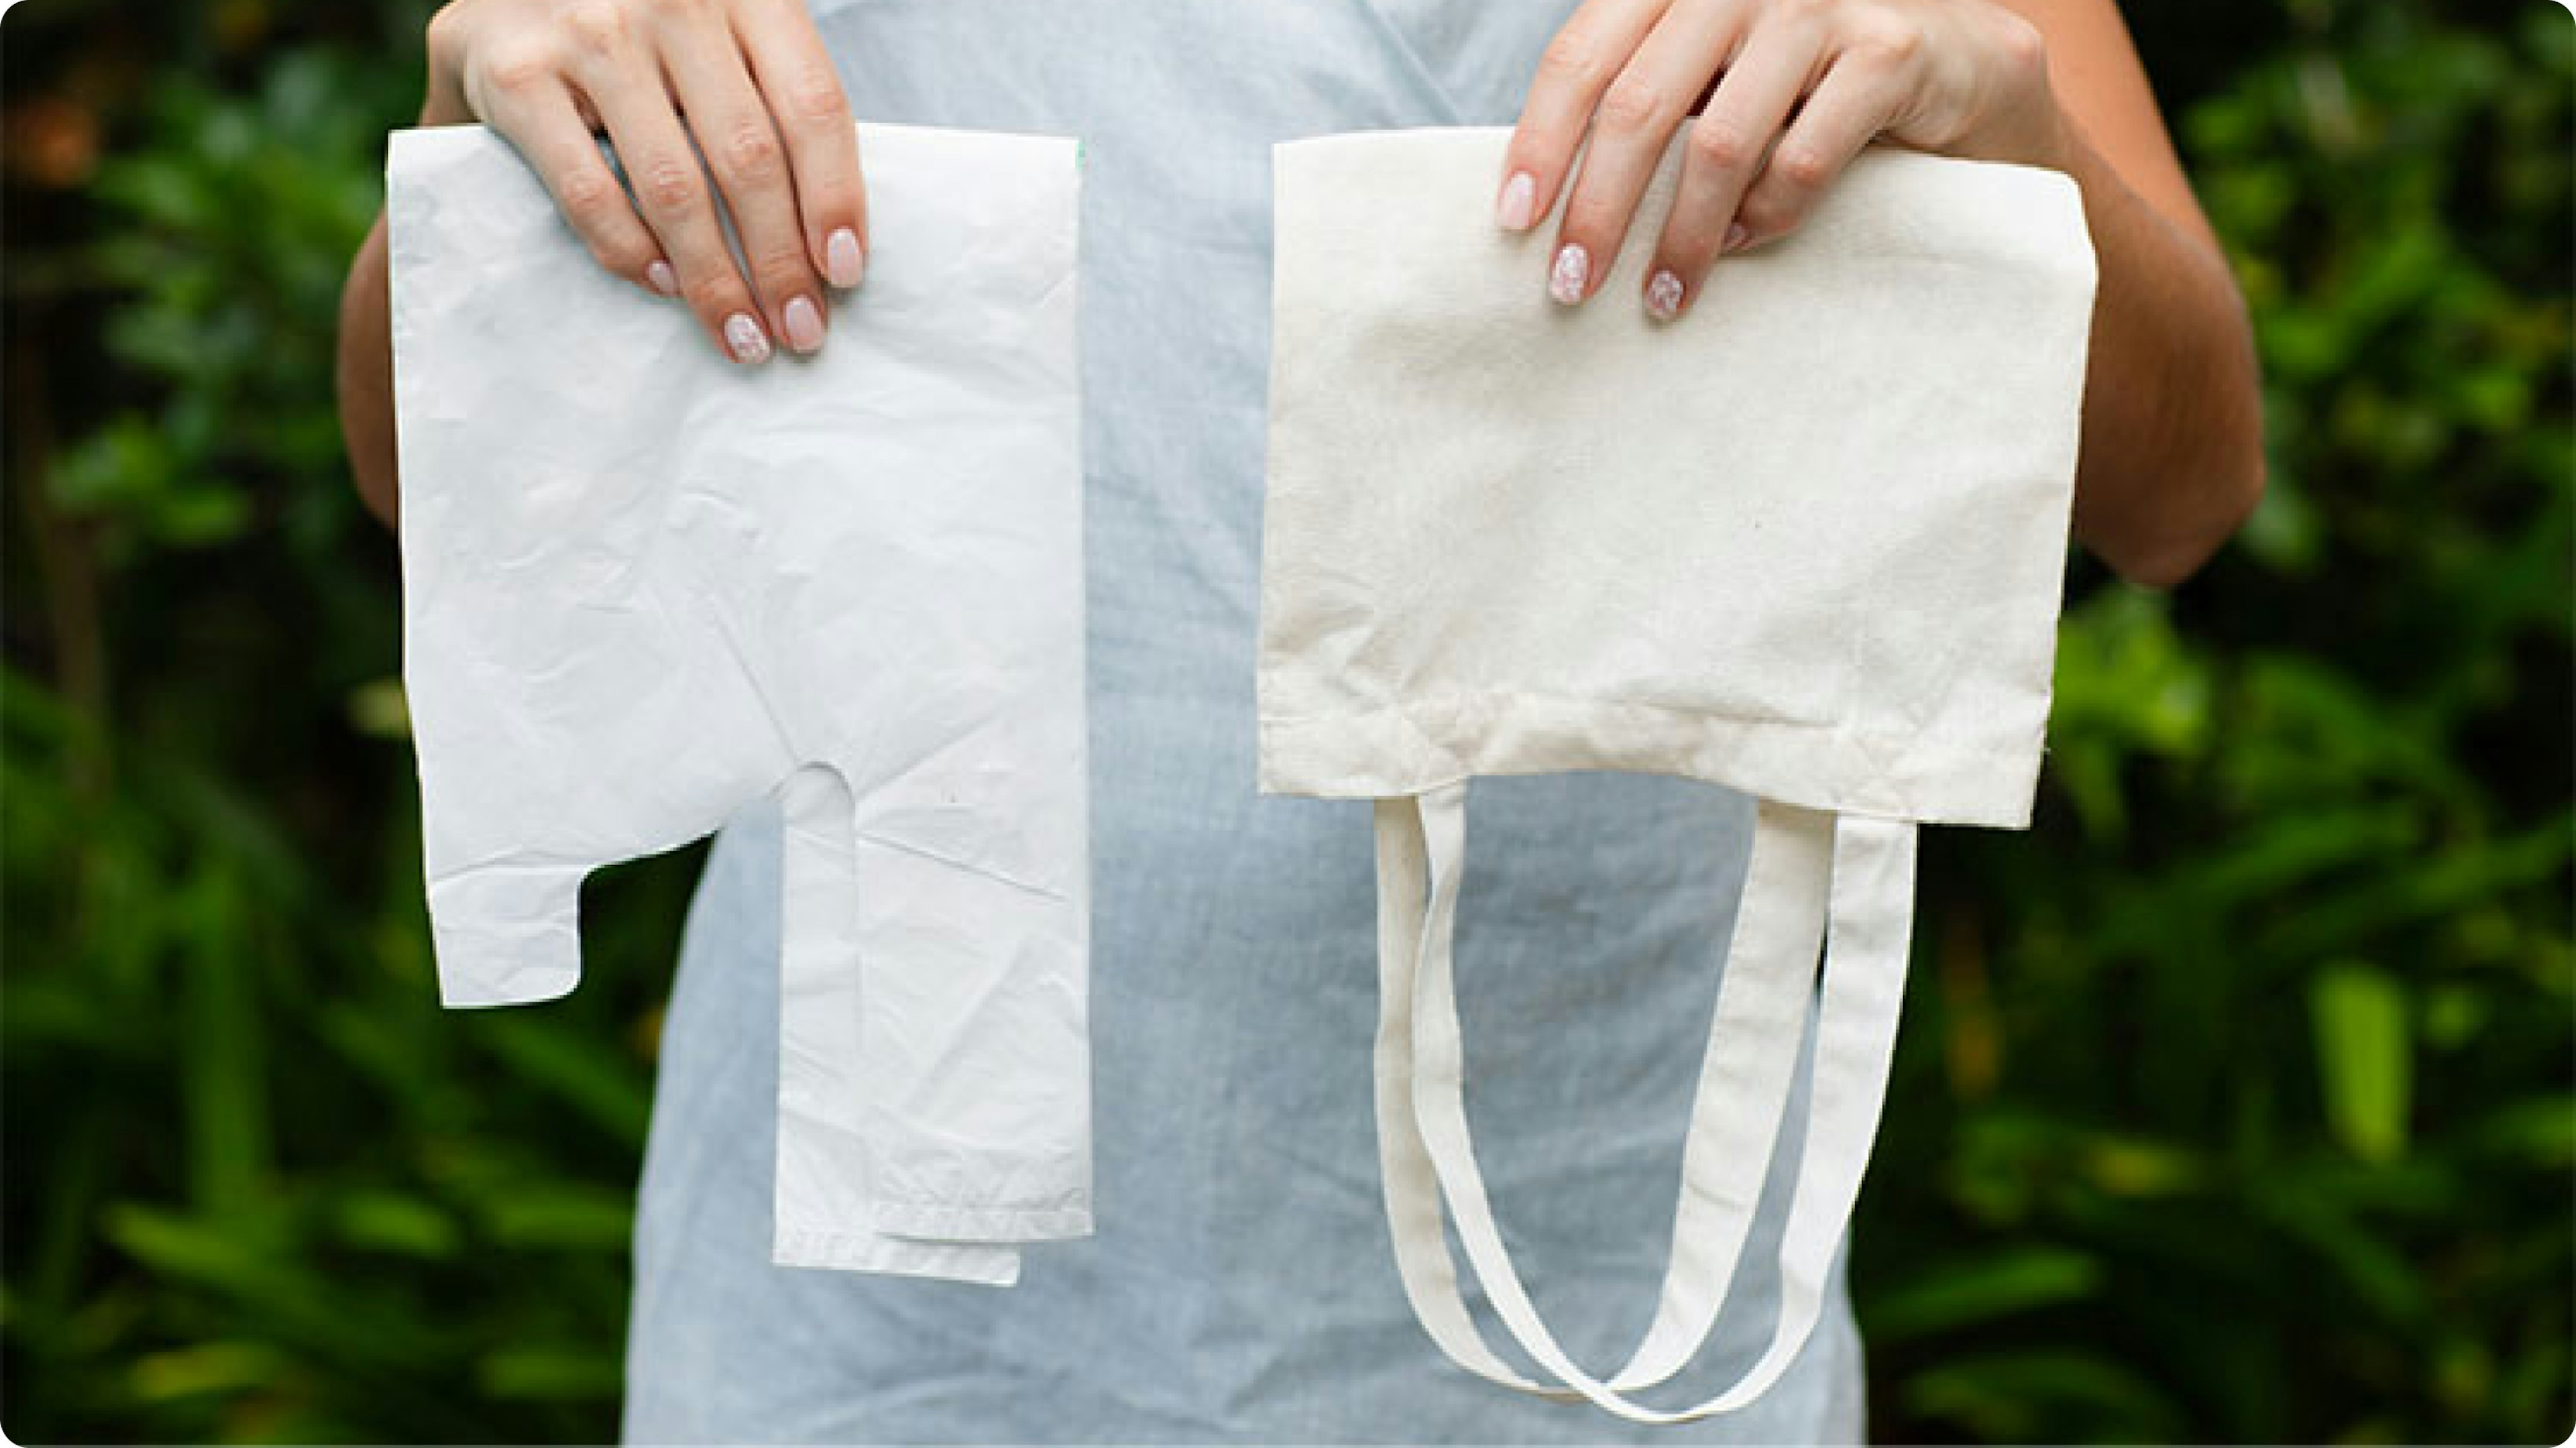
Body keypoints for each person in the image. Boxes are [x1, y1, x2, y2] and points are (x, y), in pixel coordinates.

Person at [333, 0, 2263, 1439]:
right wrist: (486, 125)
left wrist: (2005, 124)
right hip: (880, 1323)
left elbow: (2184, 488)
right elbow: (423, 478)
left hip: (1616, 1310)